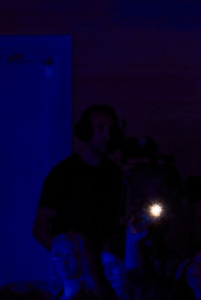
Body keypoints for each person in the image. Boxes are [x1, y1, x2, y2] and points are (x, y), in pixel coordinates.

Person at [33, 104, 129, 254]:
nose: (107, 135)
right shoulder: (64, 173)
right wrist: (66, 257)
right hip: (76, 268)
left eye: (110, 129)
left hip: (107, 265)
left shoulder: (115, 174)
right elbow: (40, 227)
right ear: (85, 132)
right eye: (100, 128)